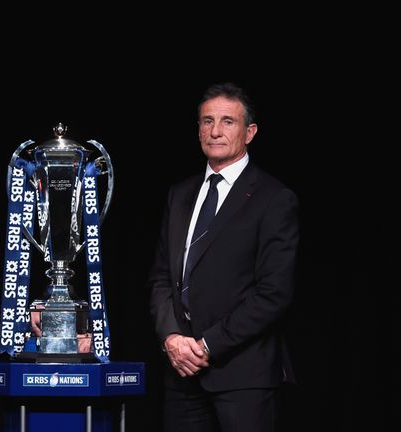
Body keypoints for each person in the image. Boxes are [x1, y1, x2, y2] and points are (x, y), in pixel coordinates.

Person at [148, 82, 299, 431]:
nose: (215, 131)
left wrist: (206, 345)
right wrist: (172, 338)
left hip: (243, 377)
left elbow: (273, 293)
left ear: (250, 132)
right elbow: (160, 279)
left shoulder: (274, 199)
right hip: (181, 374)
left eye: (227, 122)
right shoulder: (180, 194)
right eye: (207, 121)